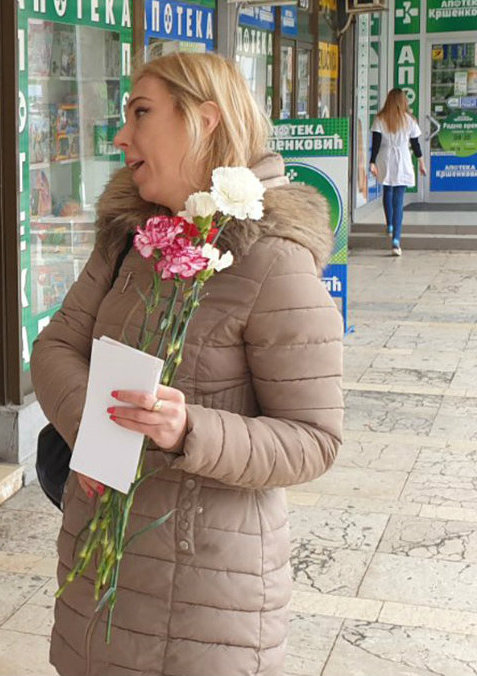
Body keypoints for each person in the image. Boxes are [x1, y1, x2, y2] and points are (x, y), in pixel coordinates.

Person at [32, 53, 343, 675]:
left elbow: (314, 439)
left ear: (203, 120)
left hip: (207, 598)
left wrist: (190, 431)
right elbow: (55, 348)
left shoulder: (275, 259)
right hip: (99, 574)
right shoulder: (127, 235)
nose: (121, 136)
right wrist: (94, 436)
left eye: (141, 113)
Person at [370, 88, 425, 257]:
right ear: (403, 101)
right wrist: (421, 162)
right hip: (402, 158)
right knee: (398, 198)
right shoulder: (409, 120)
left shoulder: (380, 119)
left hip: (385, 157)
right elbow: (415, 144)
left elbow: (376, 143)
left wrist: (372, 162)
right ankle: (396, 241)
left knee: (388, 189)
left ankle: (390, 225)